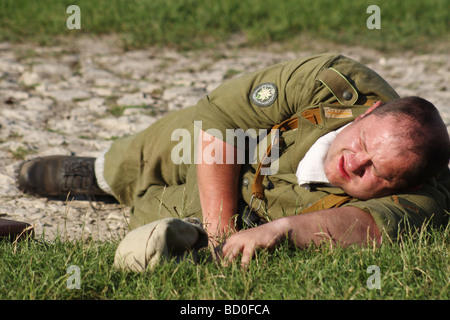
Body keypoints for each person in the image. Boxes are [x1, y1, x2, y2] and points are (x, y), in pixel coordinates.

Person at [18, 53, 450, 266]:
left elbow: (361, 226)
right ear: (369, 112)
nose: (354, 163)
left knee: (161, 228)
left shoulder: (423, 200)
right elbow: (221, 115)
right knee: (181, 138)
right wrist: (219, 225)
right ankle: (104, 175)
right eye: (362, 143)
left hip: (267, 208)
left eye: (376, 172)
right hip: (241, 149)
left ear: (400, 185)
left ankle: (144, 209)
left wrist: (282, 229)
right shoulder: (333, 83)